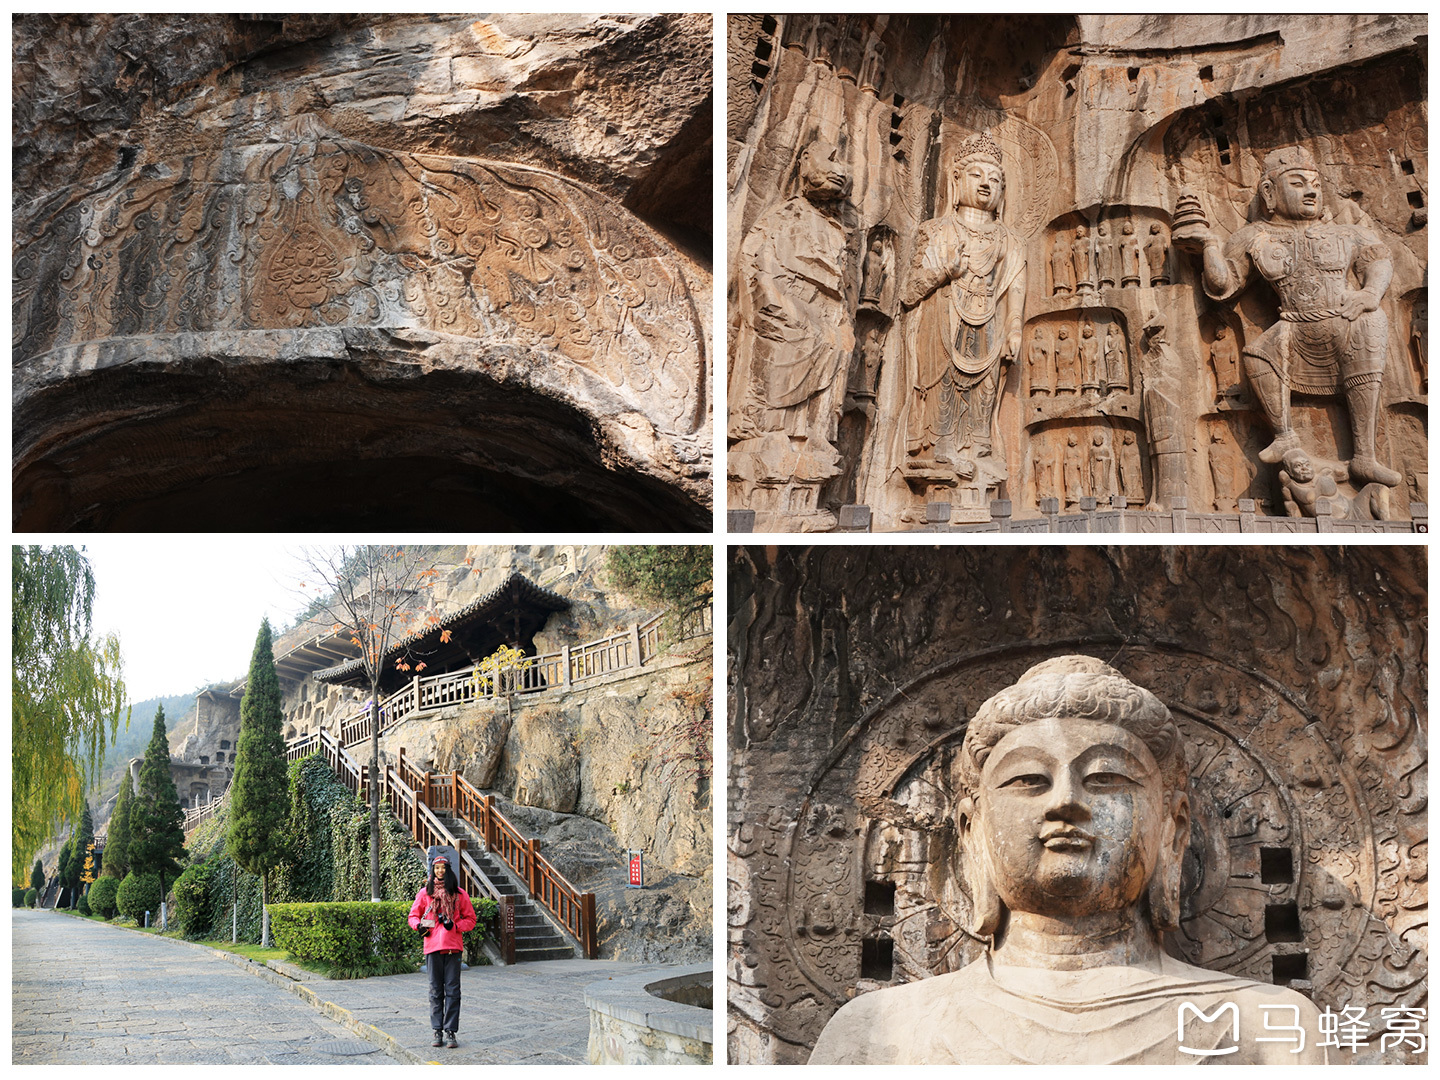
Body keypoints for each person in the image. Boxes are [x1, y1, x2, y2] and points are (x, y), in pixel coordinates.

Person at [809, 656, 1326, 1064]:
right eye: (1028, 780)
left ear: (1173, 829)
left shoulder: (1268, 1026)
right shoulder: (878, 1033)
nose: (1065, 802)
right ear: (971, 831)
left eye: (1105, 778)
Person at [409, 852, 478, 1049]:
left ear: (448, 871)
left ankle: (451, 1031)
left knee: (453, 991)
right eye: (436, 868)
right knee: (435, 990)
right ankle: (437, 1030)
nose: (440, 871)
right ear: (433, 870)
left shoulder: (459, 894)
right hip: (432, 947)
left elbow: (470, 919)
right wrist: (418, 926)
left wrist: (455, 926)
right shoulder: (425, 893)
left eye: (443, 868)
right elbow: (413, 915)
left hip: (452, 947)